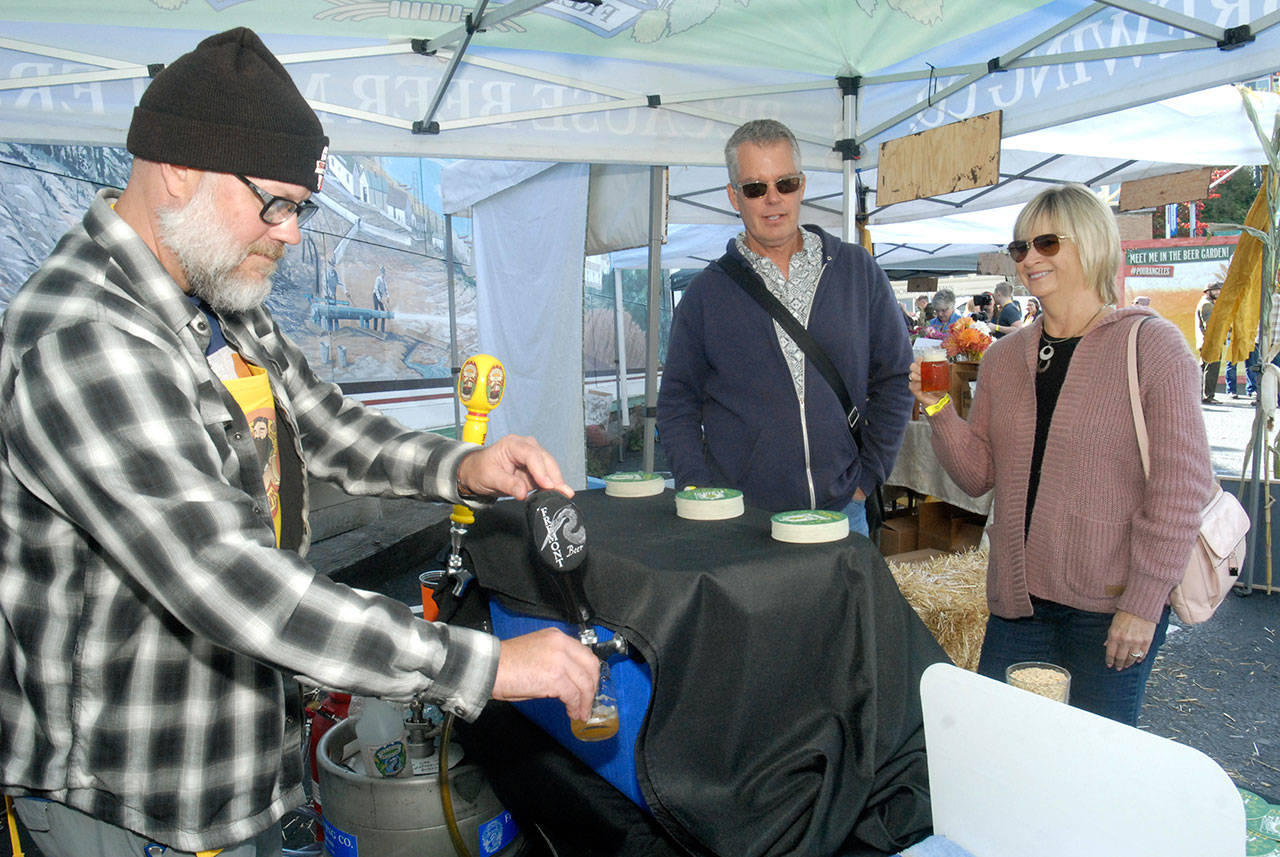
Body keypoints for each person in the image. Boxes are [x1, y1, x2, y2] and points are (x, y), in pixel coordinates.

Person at [0, 28, 600, 857]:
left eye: (300, 207)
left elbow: (322, 423)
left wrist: (463, 465)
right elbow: (230, 580)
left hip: (250, 773)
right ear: (178, 166)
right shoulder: (84, 338)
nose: (289, 232)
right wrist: (485, 666)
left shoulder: (214, 299)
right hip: (137, 804)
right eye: (274, 202)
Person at [907, 183, 1213, 727]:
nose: (1029, 258)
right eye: (1020, 247)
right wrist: (938, 411)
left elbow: (1179, 491)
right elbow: (977, 477)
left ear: (1092, 243)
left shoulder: (1152, 348)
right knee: (1007, 749)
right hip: (1018, 604)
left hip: (1110, 608)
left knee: (1093, 765)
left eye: (1046, 242)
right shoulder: (1003, 359)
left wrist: (1142, 604)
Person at [657, 119, 913, 536]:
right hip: (745, 522)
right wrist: (699, 490)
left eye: (785, 183)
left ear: (803, 185)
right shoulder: (706, 293)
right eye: (755, 188)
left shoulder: (855, 270)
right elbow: (676, 405)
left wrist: (869, 477)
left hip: (842, 513)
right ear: (733, 196)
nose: (773, 199)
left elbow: (894, 376)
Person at [1197, 282, 1222, 403]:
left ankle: (1201, 395)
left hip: (1207, 341)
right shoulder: (1207, 305)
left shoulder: (1206, 303)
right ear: (1208, 291)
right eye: (1215, 290)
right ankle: (1208, 396)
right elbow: (1211, 327)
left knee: (1204, 368)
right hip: (1211, 341)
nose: (1218, 292)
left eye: (1219, 290)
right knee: (1211, 369)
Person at [372, 264, 390, 331]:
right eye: (382, 272)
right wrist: (379, 299)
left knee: (383, 312)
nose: (383, 273)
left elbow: (386, 290)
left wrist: (388, 296)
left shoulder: (384, 281)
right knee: (376, 311)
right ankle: (375, 329)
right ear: (381, 272)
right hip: (375, 295)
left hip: (380, 297)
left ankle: (382, 329)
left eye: (384, 272)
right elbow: (376, 289)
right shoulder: (378, 279)